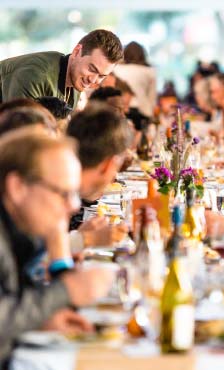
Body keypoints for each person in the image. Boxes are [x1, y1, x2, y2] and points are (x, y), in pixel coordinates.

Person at [0, 127, 115, 366]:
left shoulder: (21, 234)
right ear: (17, 187)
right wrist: (66, 290)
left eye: (74, 194)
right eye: (63, 193)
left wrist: (41, 321)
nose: (73, 206)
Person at [0, 29, 123, 109]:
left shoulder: (75, 84)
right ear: (76, 51)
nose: (93, 80)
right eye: (92, 69)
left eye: (101, 76)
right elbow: (21, 134)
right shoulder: (36, 74)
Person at [66, 103, 129, 249]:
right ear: (109, 164)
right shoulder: (57, 194)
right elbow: (31, 261)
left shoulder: (64, 184)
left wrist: (79, 238)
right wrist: (83, 240)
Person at [113, 41, 156, 126]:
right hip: (142, 111)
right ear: (142, 55)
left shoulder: (116, 68)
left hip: (122, 109)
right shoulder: (150, 71)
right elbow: (152, 97)